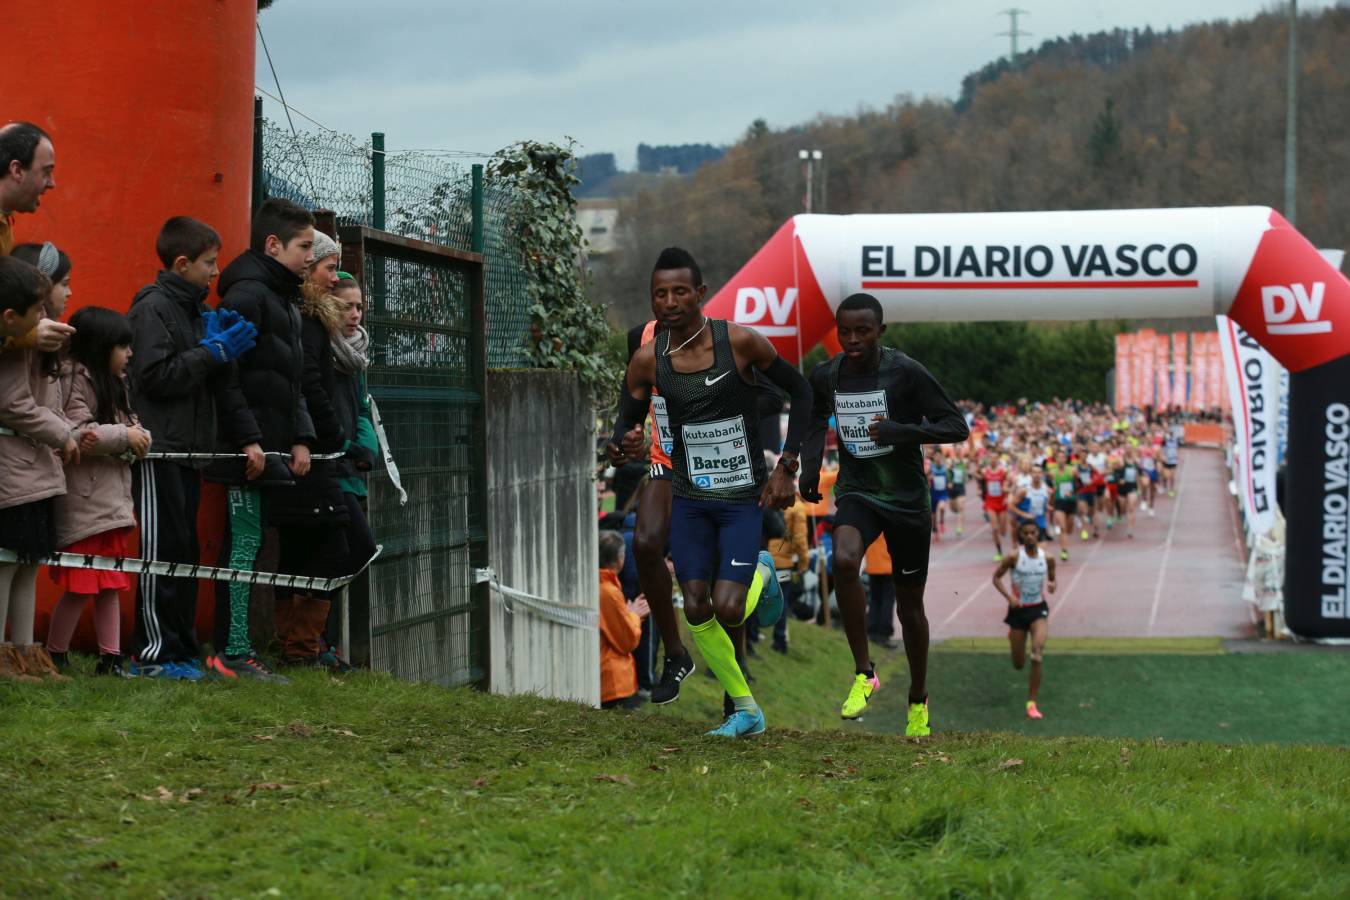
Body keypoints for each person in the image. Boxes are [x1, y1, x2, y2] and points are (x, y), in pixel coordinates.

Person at [609, 246, 807, 739]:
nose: (670, 302)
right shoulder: (644, 354)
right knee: (680, 584)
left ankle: (760, 579)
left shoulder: (737, 341)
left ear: (700, 294)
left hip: (736, 486)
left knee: (728, 604)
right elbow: (624, 422)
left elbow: (792, 392)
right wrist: (623, 444)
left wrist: (785, 462)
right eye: (660, 294)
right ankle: (714, 684)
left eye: (680, 292)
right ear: (651, 300)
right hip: (678, 478)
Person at [800, 292, 969, 733]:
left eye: (863, 331)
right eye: (845, 332)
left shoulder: (905, 372)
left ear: (881, 332)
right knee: (842, 559)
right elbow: (815, 418)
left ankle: (917, 698)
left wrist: (903, 432)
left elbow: (956, 426)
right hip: (859, 491)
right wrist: (809, 469)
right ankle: (864, 672)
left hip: (908, 501)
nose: (852, 340)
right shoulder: (828, 374)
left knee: (909, 609)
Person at [126, 216, 262, 679]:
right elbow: (154, 377)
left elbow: (196, 374)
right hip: (159, 450)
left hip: (188, 451)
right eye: (209, 263)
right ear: (181, 263)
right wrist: (215, 352)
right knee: (161, 553)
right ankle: (153, 654)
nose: (216, 272)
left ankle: (181, 648)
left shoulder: (189, 309)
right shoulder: (153, 308)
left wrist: (219, 353)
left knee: (184, 553)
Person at [206, 198, 318, 682]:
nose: (310, 258)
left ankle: (240, 648)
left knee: (249, 543)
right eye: (304, 247)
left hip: (268, 446)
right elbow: (225, 375)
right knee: (243, 543)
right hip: (244, 449)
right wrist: (249, 440)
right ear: (273, 245)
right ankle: (230, 651)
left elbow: (288, 381)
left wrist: (300, 437)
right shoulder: (247, 296)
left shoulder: (281, 298)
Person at [269, 232, 374, 670]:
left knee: (328, 551)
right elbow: (310, 391)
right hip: (321, 457)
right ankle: (302, 644)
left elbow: (363, 407)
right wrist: (337, 442)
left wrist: (362, 444)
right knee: (338, 548)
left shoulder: (355, 355)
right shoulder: (313, 334)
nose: (353, 314)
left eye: (359, 306)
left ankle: (309, 643)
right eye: (346, 303)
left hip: (343, 460)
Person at [45, 307, 150, 677]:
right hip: (87, 503)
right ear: (99, 346)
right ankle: (55, 652)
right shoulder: (75, 379)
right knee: (81, 584)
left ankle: (111, 657)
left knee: (109, 583)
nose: (129, 354)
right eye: (123, 346)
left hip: (112, 501)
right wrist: (126, 437)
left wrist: (137, 436)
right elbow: (80, 431)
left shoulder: (115, 380)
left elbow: (129, 424)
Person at [0, 256, 76, 682]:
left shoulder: (40, 340)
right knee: (7, 564)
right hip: (16, 469)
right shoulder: (17, 344)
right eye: (61, 284)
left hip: (36, 467)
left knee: (27, 563)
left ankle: (26, 654)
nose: (66, 294)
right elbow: (13, 405)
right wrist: (61, 433)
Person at [0, 123, 72, 354]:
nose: (52, 183)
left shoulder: (5, 221)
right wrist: (29, 334)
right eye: (46, 172)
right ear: (17, 170)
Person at [992, 520, 1056, 719]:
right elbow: (996, 578)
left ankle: (1032, 703)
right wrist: (1009, 597)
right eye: (1026, 533)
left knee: (1037, 653)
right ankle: (1013, 635)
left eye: (1033, 532)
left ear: (1038, 534)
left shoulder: (1048, 558)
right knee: (1018, 664)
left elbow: (1052, 579)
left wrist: (1052, 584)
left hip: (1038, 610)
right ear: (1021, 536)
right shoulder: (1013, 556)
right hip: (1018, 612)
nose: (1030, 536)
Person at [599, 530, 650, 709]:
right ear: (620, 560)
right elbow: (628, 640)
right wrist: (635, 615)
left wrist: (627, 612)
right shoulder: (609, 591)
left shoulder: (599, 584)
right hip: (612, 682)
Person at [766, 490, 810, 654]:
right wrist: (803, 563)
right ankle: (779, 640)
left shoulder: (770, 503)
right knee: (781, 600)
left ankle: (753, 635)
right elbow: (800, 538)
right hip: (784, 562)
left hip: (764, 556)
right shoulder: (798, 508)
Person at [1049, 448, 1076, 562]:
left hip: (1071, 502)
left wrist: (1073, 491)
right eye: (1058, 457)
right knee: (1062, 527)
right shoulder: (1052, 473)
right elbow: (1049, 486)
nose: (1061, 459)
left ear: (1066, 459)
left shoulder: (1072, 471)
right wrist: (1052, 491)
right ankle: (1064, 550)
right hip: (1059, 502)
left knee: (1069, 529)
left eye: (1063, 457)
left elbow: (1079, 485)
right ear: (1056, 460)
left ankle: (1064, 543)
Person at [981, 457, 1009, 561]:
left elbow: (1008, 481)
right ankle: (999, 551)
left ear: (997, 460)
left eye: (994, 458)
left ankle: (1002, 534)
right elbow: (979, 478)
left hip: (1001, 503)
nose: (993, 460)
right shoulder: (985, 471)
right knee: (995, 528)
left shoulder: (1003, 471)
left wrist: (1007, 494)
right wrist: (980, 490)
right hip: (990, 503)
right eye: (991, 459)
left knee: (1003, 531)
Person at [929, 451, 950, 539]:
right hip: (933, 493)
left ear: (941, 458)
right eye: (936, 457)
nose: (938, 459)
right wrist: (929, 478)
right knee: (933, 516)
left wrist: (950, 483)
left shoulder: (945, 468)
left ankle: (941, 521)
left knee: (941, 507)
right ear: (934, 458)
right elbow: (926, 478)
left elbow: (949, 477)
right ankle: (936, 531)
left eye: (939, 457)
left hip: (942, 493)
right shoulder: (931, 468)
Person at [948, 448, 967, 537]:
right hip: (952, 488)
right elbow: (947, 471)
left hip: (960, 487)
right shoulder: (950, 461)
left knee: (961, 507)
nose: (958, 451)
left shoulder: (964, 462)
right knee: (953, 508)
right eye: (957, 450)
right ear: (954, 451)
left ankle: (959, 527)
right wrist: (949, 481)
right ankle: (956, 510)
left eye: (960, 450)